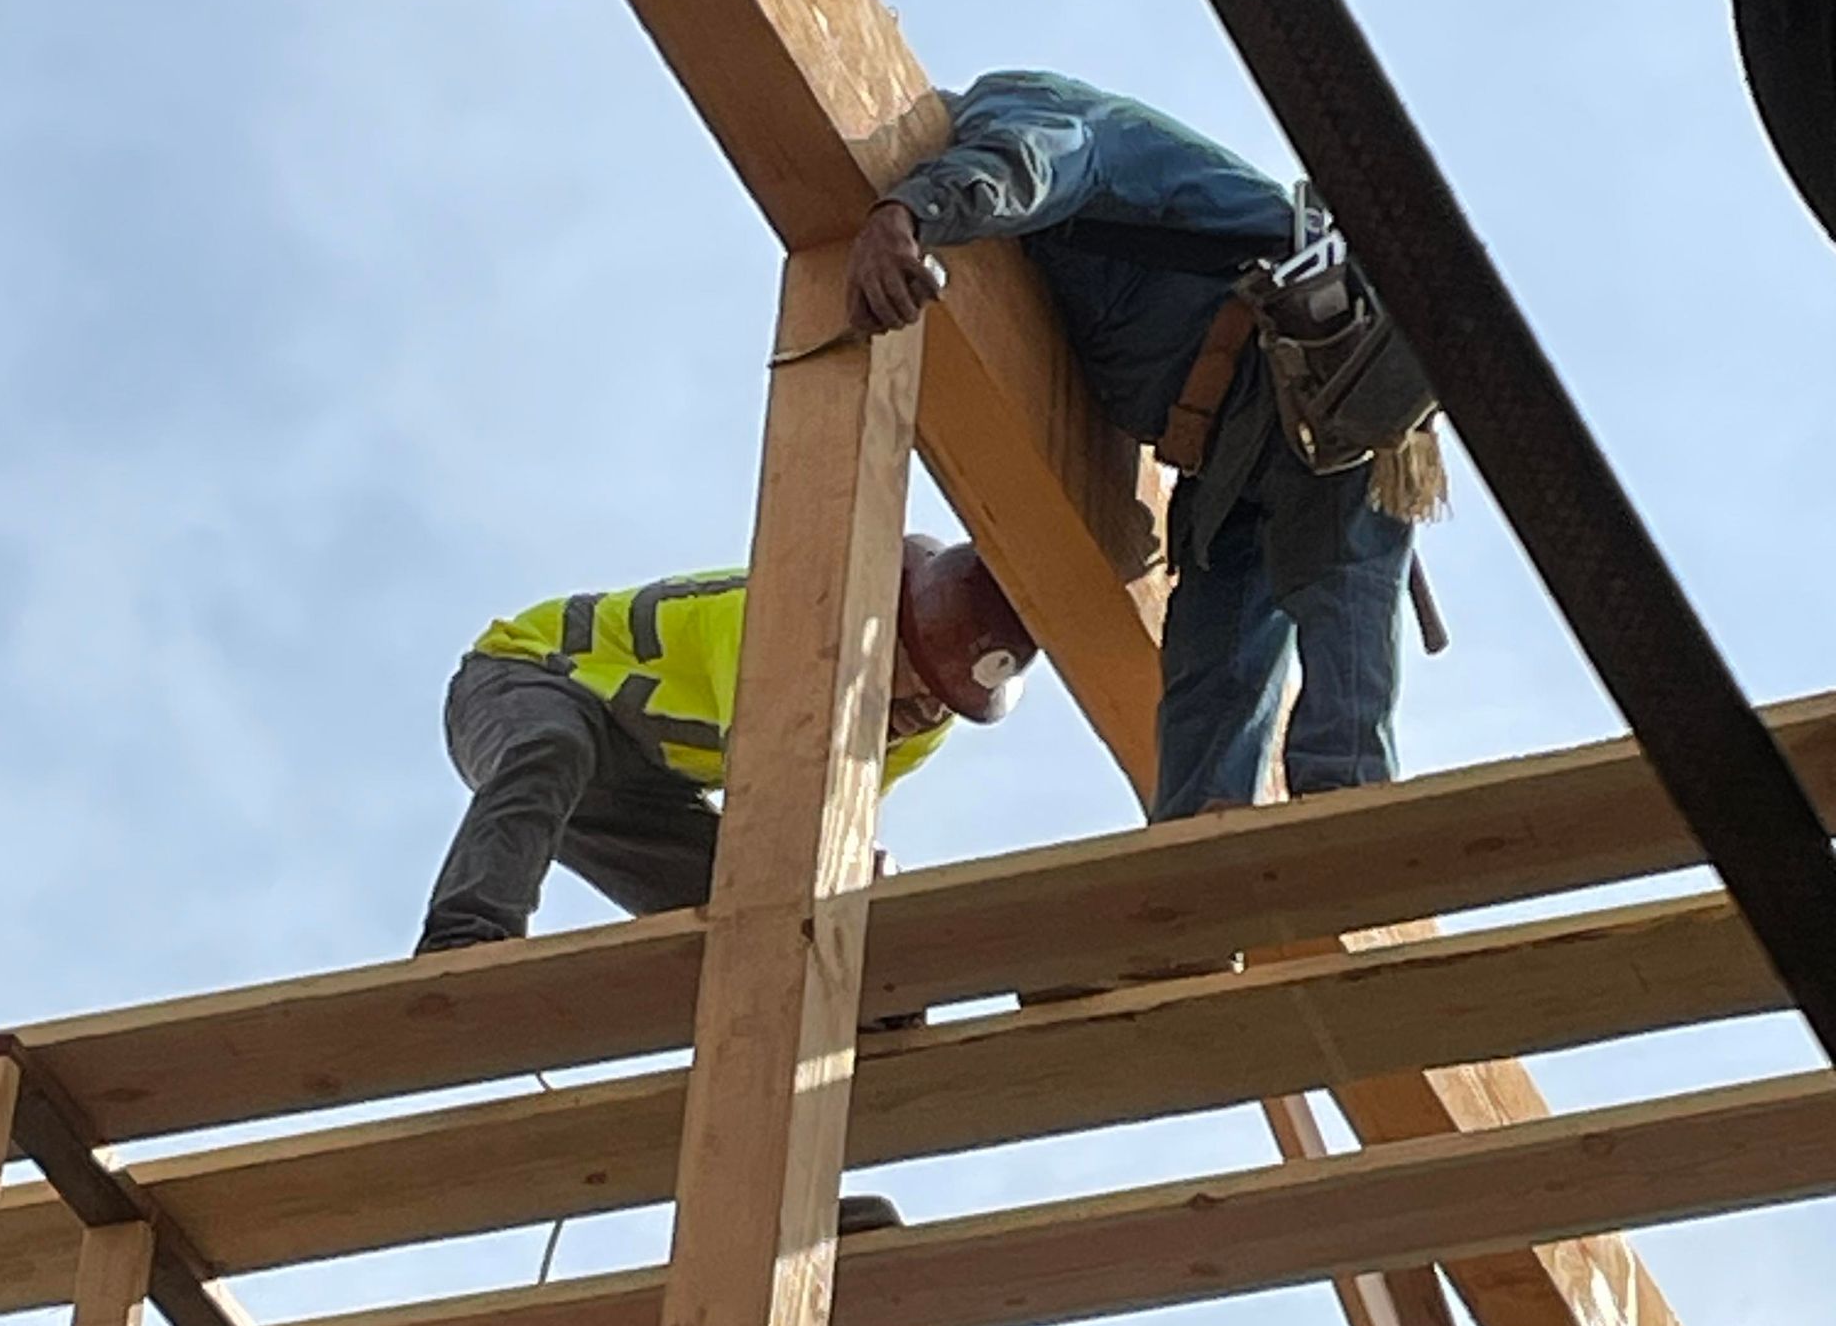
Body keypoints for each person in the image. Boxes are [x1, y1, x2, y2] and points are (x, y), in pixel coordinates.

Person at [847, 70, 1443, 821]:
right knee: (1212, 660)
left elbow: (1034, 157)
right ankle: (1198, 868)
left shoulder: (1018, 108)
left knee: (1339, 575)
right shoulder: (1039, 253)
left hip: (1309, 371)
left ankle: (1348, 812)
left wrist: (909, 211)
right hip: (1221, 450)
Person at [416, 535, 1036, 952]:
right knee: (552, 749)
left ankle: (873, 1012)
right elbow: (775, 813)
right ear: (885, 628)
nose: (923, 710)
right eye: (921, 678)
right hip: (525, 675)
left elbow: (817, 836)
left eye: (943, 699)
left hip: (639, 779)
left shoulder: (919, 726)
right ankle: (467, 938)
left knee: (753, 910)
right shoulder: (771, 626)